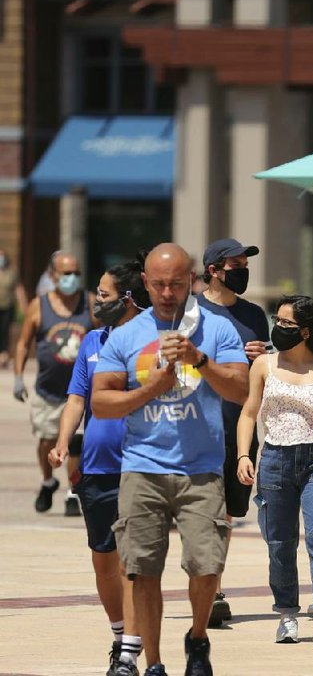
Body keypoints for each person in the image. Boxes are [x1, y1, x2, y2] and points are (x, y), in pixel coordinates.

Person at [92, 243, 249, 676]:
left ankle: (197, 638)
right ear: (144, 282)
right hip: (143, 466)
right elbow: (102, 403)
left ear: (193, 281)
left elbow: (240, 390)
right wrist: (150, 390)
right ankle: (154, 662)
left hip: (200, 470)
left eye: (177, 284)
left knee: (206, 566)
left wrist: (199, 360)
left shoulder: (216, 328)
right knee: (142, 570)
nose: (167, 292)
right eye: (158, 284)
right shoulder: (126, 335)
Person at [236, 295, 313, 648]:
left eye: (287, 324)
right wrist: (244, 455)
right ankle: (287, 615)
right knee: (280, 543)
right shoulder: (263, 365)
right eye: (277, 320)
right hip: (275, 460)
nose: (278, 327)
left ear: (306, 331)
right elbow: (249, 412)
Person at [48, 260, 149, 676]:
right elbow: (77, 399)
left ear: (127, 298)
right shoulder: (92, 341)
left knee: (132, 563)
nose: (96, 300)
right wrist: (61, 441)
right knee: (104, 562)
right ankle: (119, 634)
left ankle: (130, 650)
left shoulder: (154, 338)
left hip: (144, 466)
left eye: (104, 294)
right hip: (97, 468)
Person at [196, 238, 271, 628]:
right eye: (235, 264)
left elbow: (272, 371)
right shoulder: (191, 312)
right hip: (196, 425)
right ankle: (210, 591)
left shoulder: (255, 315)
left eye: (245, 263)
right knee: (202, 513)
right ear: (213, 270)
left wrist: (263, 360)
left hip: (237, 426)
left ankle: (213, 588)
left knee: (224, 515)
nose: (242, 270)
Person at [14, 250, 96, 514]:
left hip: (80, 390)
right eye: (66, 273)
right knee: (48, 441)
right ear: (53, 275)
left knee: (76, 443)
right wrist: (18, 377)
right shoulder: (39, 305)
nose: (72, 278)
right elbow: (24, 342)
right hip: (47, 390)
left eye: (76, 273)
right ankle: (48, 481)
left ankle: (72, 492)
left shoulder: (90, 303)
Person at [0, 248, 28, 368]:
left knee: (4, 331)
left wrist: (24, 306)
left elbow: (18, 289)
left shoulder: (11, 272)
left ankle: (3, 354)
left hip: (7, 306)